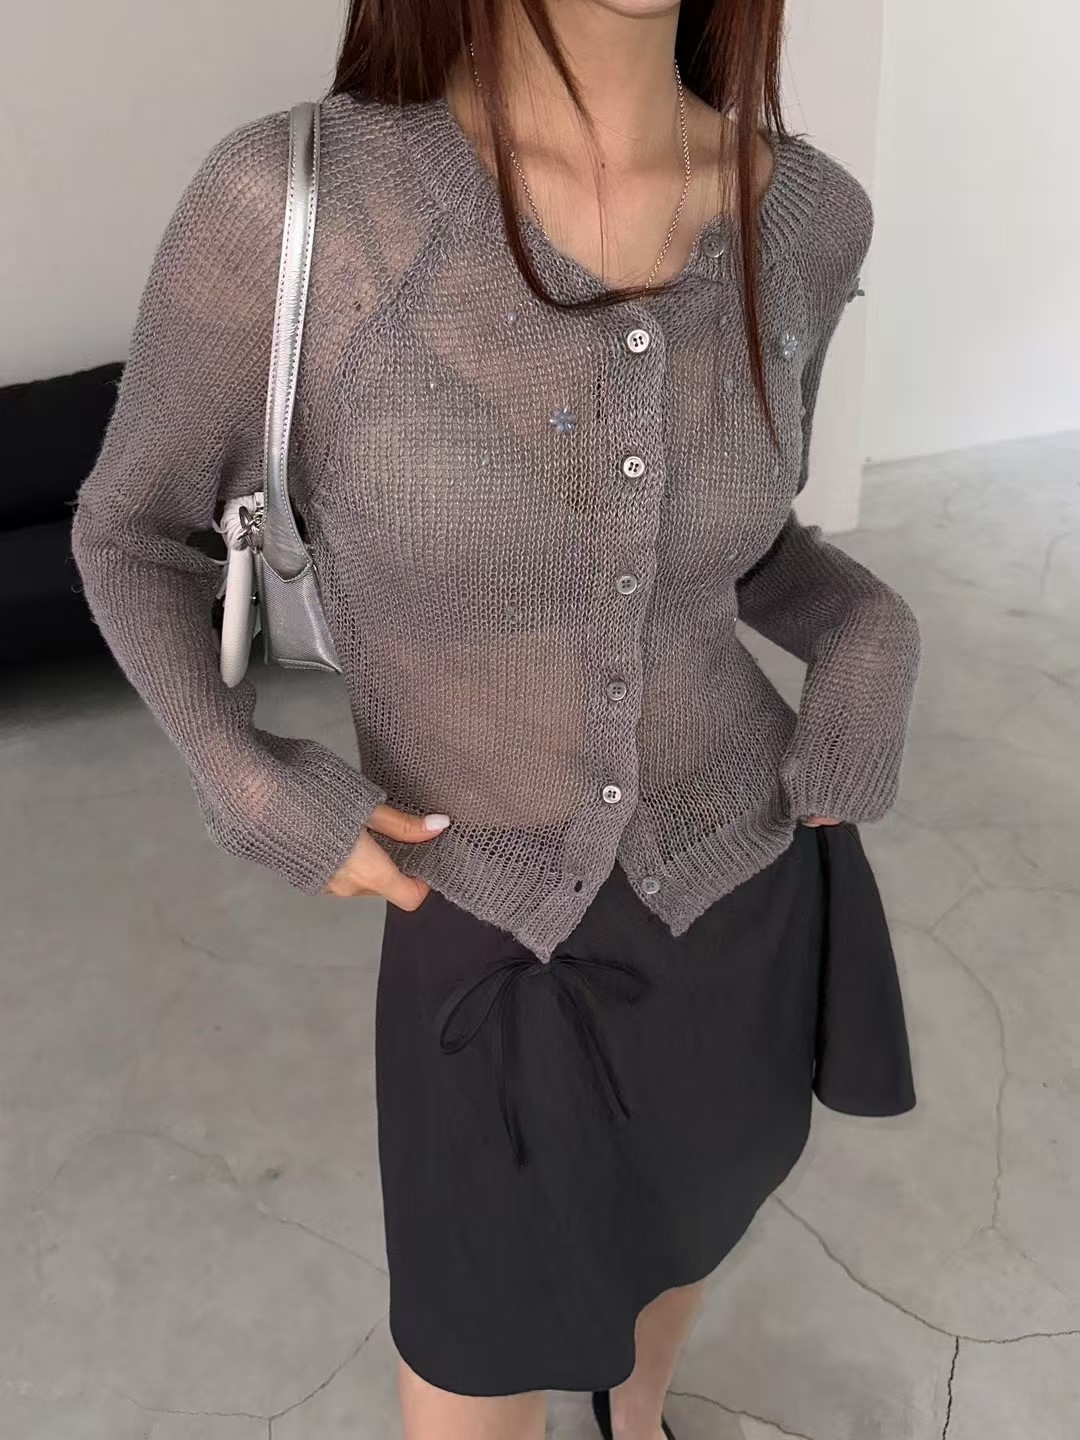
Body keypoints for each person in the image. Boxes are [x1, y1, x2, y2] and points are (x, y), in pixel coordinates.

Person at [71, 1, 922, 1436]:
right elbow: (127, 534)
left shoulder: (812, 219)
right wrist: (250, 782)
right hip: (480, 919)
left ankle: (635, 1423)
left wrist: (871, 630)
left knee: (689, 1225)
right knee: (473, 1356)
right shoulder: (297, 204)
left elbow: (741, 544)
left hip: (747, 891)